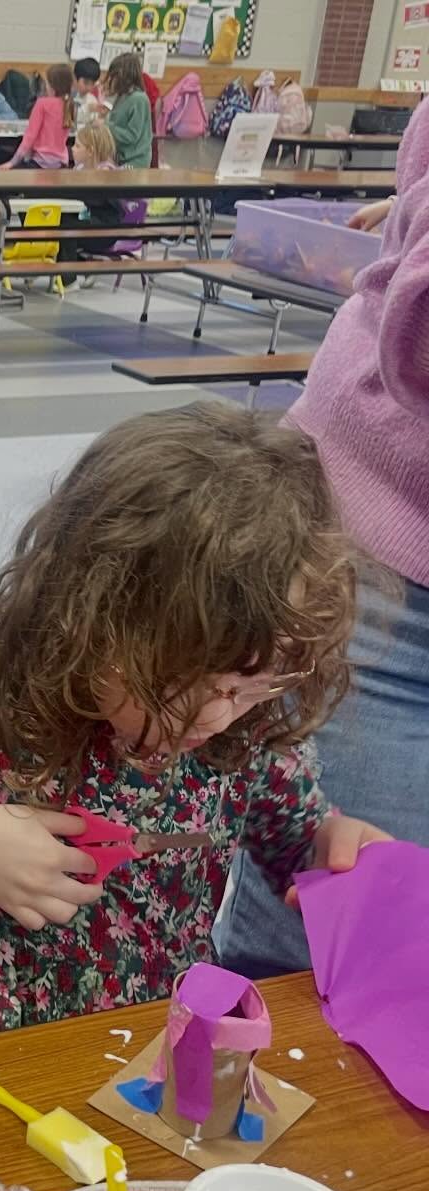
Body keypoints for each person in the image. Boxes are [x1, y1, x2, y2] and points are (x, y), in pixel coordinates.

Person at [0, 403, 389, 1044]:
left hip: (152, 1045)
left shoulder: (250, 739)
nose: (214, 717)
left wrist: (331, 849)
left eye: (250, 687)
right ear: (87, 618)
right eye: (172, 685)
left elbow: (293, 845)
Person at [216, 98, 429, 978]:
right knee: (321, 966)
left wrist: (319, 834)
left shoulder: (235, 747)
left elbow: (292, 827)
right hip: (389, 542)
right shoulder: (8, 688)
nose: (221, 712)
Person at [55, 120, 123, 264]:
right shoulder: (79, 169)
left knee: (65, 225)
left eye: (78, 146)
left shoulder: (105, 172)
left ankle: (68, 276)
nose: (72, 149)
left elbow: (89, 198)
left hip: (105, 229)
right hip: (87, 219)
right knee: (57, 220)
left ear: (90, 151)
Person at [0, 63, 73, 169]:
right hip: (61, 164)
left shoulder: (42, 104)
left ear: (51, 86)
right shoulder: (70, 105)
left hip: (40, 163)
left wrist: (12, 162)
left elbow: (30, 137)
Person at [103, 52, 152, 168]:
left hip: (135, 161)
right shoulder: (122, 96)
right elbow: (118, 123)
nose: (110, 79)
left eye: (113, 76)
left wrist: (106, 126)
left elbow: (131, 135)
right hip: (121, 158)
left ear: (122, 76)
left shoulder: (139, 99)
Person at [72, 57, 105, 126]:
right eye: (86, 83)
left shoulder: (92, 99)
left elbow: (93, 121)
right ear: (75, 78)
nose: (89, 88)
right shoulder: (65, 95)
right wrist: (87, 109)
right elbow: (68, 117)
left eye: (93, 84)